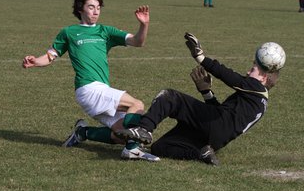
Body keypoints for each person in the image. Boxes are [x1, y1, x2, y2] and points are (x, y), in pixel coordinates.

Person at [22, 0, 159, 162]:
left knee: (120, 135)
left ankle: (82, 132)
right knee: (136, 104)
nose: (96, 11)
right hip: (88, 89)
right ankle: (132, 150)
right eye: (91, 7)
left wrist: (144, 24)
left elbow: (138, 42)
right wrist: (35, 61)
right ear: (80, 8)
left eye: (98, 8)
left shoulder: (105, 31)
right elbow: (50, 56)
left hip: (101, 89)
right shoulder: (69, 32)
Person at [116, 32, 284, 165]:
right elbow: (223, 117)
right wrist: (206, 92)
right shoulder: (260, 101)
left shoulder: (256, 88)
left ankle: (144, 128)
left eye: (253, 69)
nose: (248, 72)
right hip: (215, 138)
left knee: (170, 97)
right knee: (160, 147)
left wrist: (201, 58)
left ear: (263, 78)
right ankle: (201, 153)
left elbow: (230, 77)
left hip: (214, 126)